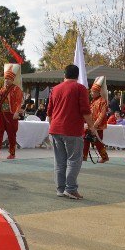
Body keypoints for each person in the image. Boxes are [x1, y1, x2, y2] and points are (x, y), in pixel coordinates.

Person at [47, 64, 97, 200]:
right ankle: (70, 189)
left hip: (55, 129)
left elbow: (49, 112)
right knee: (74, 160)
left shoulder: (55, 89)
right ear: (78, 75)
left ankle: (60, 188)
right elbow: (85, 111)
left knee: (59, 161)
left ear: (64, 74)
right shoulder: (80, 88)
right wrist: (92, 127)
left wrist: (53, 126)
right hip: (72, 130)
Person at [0, 67, 23, 160]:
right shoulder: (1, 89)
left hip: (11, 115)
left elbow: (19, 101)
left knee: (11, 134)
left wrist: (17, 112)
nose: (6, 80)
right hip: (1, 114)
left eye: (8, 79)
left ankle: (12, 153)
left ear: (12, 80)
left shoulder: (16, 89)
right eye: (5, 79)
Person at [82, 76, 109, 163]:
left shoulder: (103, 101)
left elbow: (102, 115)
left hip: (98, 126)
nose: (91, 93)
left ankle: (104, 157)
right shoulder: (93, 101)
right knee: (85, 139)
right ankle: (84, 156)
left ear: (98, 92)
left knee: (97, 141)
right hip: (91, 125)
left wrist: (95, 125)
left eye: (93, 92)